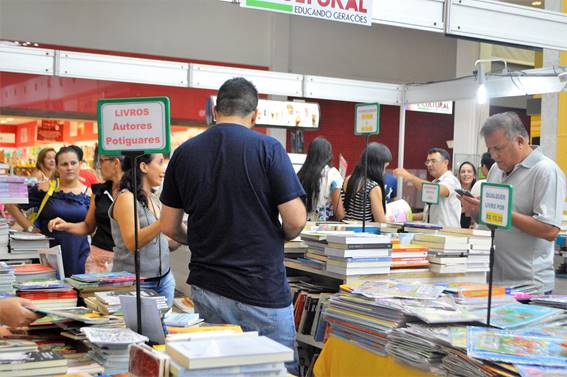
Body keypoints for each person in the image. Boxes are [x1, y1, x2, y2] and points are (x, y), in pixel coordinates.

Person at [159, 77, 306, 374]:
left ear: (215, 110)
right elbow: (295, 219)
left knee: (216, 371)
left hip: (208, 286)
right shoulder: (269, 148)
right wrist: (281, 236)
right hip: (261, 286)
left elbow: (169, 226)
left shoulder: (184, 153)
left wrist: (195, 239)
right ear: (256, 114)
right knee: (274, 371)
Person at [461, 112, 566, 294]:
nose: (493, 155)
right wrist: (476, 209)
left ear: (519, 141)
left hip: (530, 286)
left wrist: (503, 211)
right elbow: (493, 220)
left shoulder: (545, 171)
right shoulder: (496, 170)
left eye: (498, 149)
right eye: (490, 150)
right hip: (494, 280)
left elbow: (549, 230)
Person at [6, 146, 91, 276]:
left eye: (73, 163)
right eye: (64, 164)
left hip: (78, 252)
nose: (69, 167)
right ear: (57, 167)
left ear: (80, 164)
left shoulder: (89, 193)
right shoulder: (46, 188)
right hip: (49, 252)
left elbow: (92, 225)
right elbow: (11, 204)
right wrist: (30, 228)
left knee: (77, 292)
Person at [109, 154, 177, 306]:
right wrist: (164, 221)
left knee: (162, 329)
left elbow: (162, 241)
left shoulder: (153, 198)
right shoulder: (126, 198)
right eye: (160, 163)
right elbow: (132, 242)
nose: (163, 169)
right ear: (143, 166)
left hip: (164, 279)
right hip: (135, 283)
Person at [47, 154, 124, 273]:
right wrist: (66, 225)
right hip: (98, 261)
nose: (99, 167)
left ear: (116, 163)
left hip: (125, 260)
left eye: (102, 161)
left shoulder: (133, 192)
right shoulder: (99, 191)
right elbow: (88, 226)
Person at [393, 148, 461, 228]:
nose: (429, 164)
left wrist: (409, 176)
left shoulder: (451, 180)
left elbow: (436, 190)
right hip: (433, 233)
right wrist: (404, 216)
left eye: (433, 161)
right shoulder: (434, 183)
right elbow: (428, 213)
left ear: (445, 163)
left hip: (448, 234)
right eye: (428, 162)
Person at [341, 142, 392, 223]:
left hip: (347, 230)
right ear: (377, 166)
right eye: (385, 167)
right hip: (366, 233)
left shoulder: (348, 179)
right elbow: (380, 221)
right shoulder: (372, 187)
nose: (384, 172)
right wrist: (391, 220)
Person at [297, 137, 343, 221]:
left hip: (303, 225)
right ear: (328, 154)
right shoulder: (333, 174)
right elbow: (339, 212)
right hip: (325, 228)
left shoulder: (301, 174)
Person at [457, 161, 476, 228]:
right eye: (463, 172)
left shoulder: (477, 192)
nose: (466, 174)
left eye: (469, 171)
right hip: (456, 227)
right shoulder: (455, 193)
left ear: (474, 176)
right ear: (459, 175)